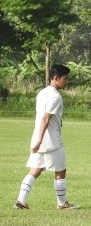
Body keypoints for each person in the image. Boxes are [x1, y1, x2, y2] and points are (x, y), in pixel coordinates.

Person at [13, 64, 79, 210]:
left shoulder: (42, 93)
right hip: (51, 141)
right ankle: (62, 203)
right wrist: (40, 140)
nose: (66, 82)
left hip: (38, 138)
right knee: (60, 171)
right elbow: (45, 118)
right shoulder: (55, 96)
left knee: (35, 170)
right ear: (56, 78)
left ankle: (21, 200)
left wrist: (37, 140)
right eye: (65, 79)